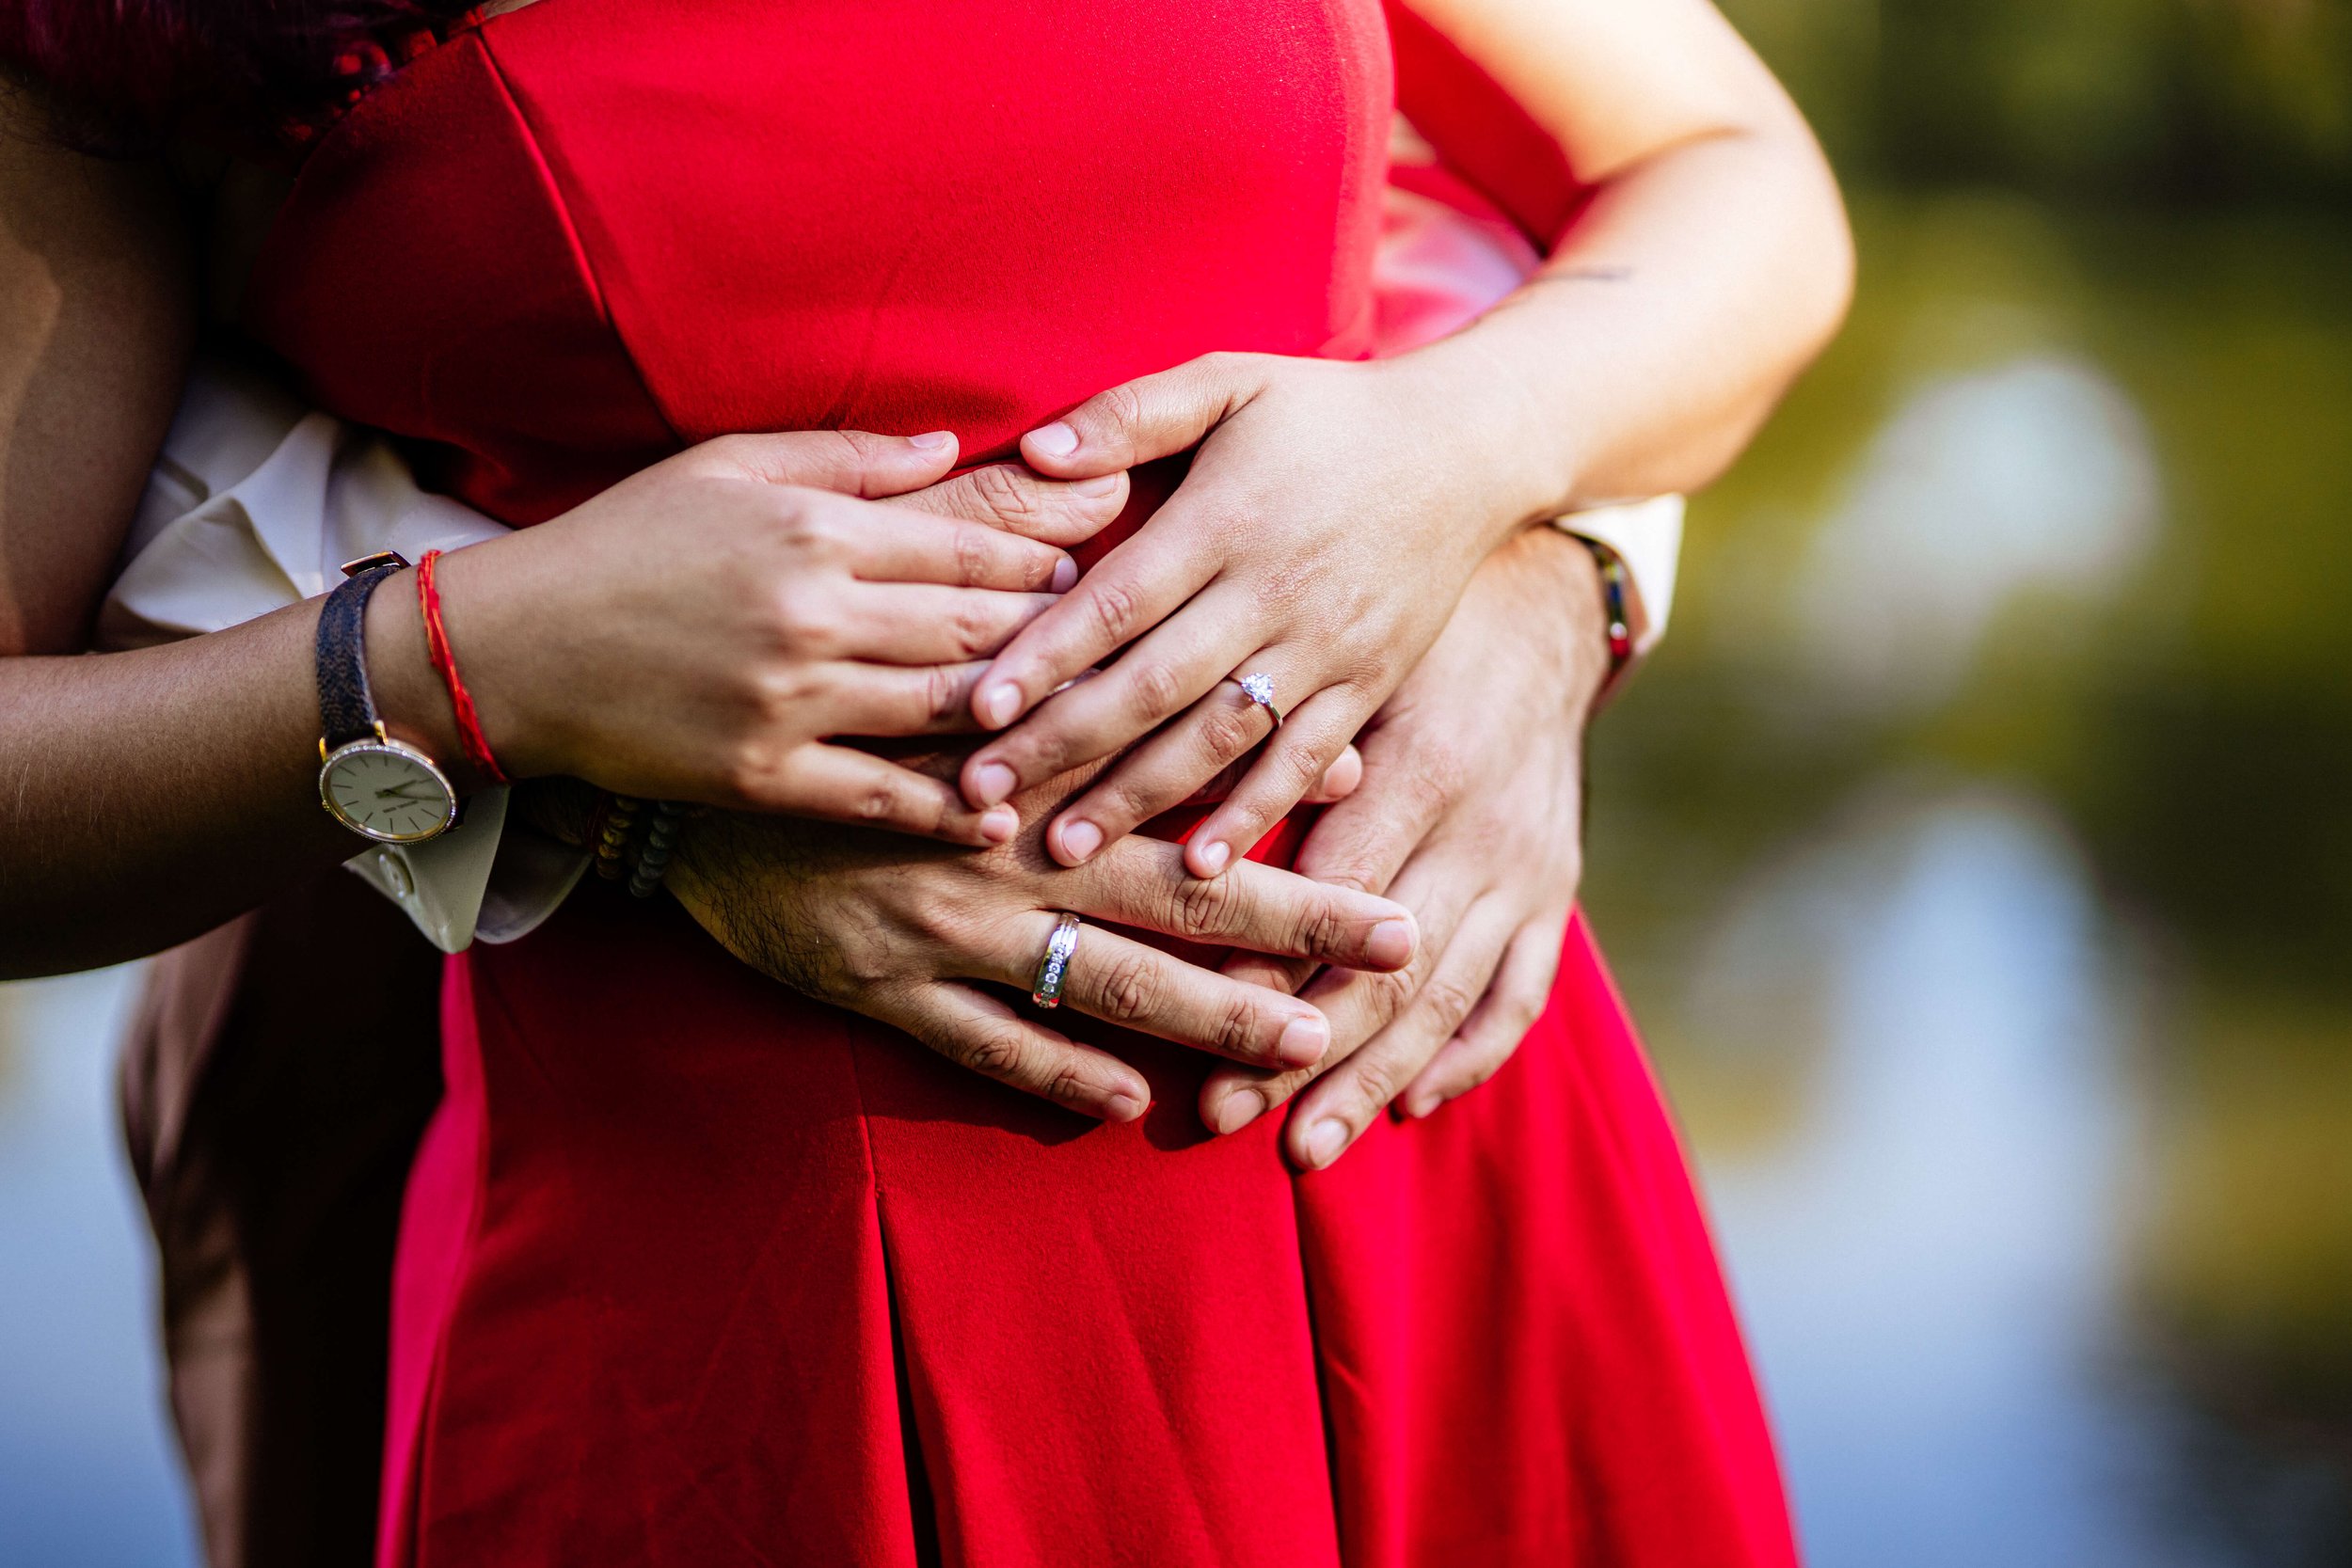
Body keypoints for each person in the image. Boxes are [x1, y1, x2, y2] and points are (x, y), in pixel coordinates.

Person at [0, 1, 1851, 1562]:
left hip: (1430, 1113)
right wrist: (477, 667)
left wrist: (1492, 494)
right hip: (747, 1238)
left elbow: (1719, 172)